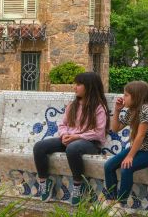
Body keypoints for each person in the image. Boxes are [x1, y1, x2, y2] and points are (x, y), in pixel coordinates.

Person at [32, 71, 109, 205]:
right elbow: (63, 124)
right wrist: (64, 135)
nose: (75, 87)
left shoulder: (99, 107)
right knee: (39, 146)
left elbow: (98, 132)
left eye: (79, 84)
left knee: (73, 149)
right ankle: (44, 182)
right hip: (70, 139)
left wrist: (76, 136)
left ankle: (79, 185)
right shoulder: (73, 105)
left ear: (89, 86)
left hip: (90, 143)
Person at [103, 80, 148, 215]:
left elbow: (140, 136)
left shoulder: (146, 109)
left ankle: (120, 205)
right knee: (109, 165)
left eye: (126, 95)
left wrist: (130, 156)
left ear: (136, 96)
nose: (123, 97)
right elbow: (115, 129)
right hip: (141, 148)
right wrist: (117, 111)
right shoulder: (132, 110)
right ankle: (111, 201)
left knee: (127, 167)